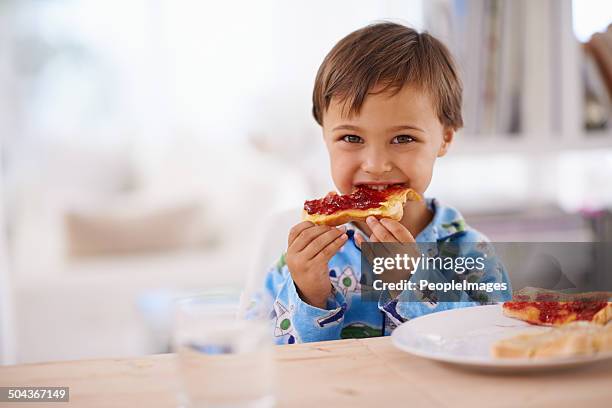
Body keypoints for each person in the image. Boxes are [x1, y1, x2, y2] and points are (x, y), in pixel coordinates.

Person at [263, 22, 511, 344]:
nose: (376, 165)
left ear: (445, 138)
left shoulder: (471, 253)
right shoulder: (300, 259)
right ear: (324, 136)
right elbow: (269, 363)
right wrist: (310, 295)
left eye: (403, 138)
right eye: (351, 137)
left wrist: (417, 283)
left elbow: (491, 344)